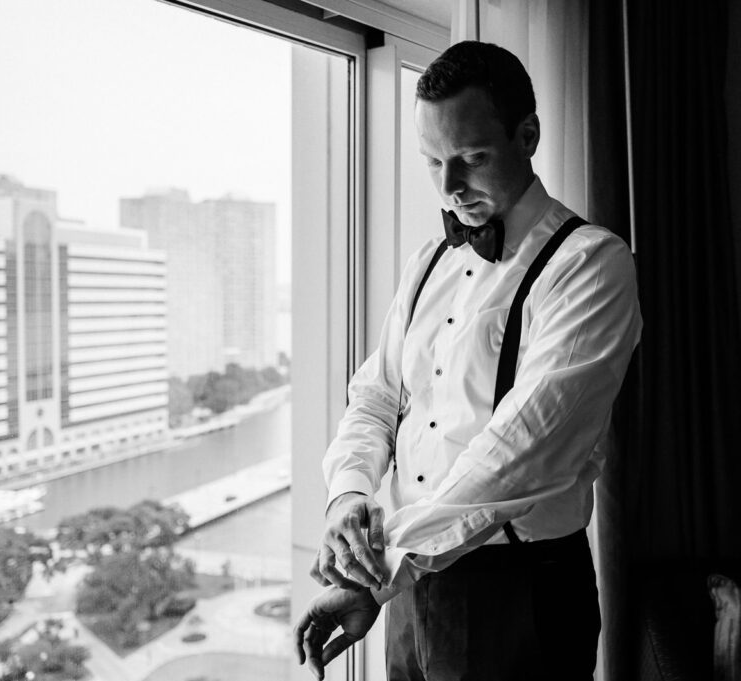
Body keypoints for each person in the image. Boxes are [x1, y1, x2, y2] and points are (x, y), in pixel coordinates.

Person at [295, 40, 642, 680]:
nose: (450, 187)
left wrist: (382, 570)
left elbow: (521, 452)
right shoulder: (427, 261)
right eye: (433, 162)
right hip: (409, 587)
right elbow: (376, 397)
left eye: (472, 158)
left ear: (527, 136)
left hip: (519, 591)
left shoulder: (590, 265)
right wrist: (348, 494)